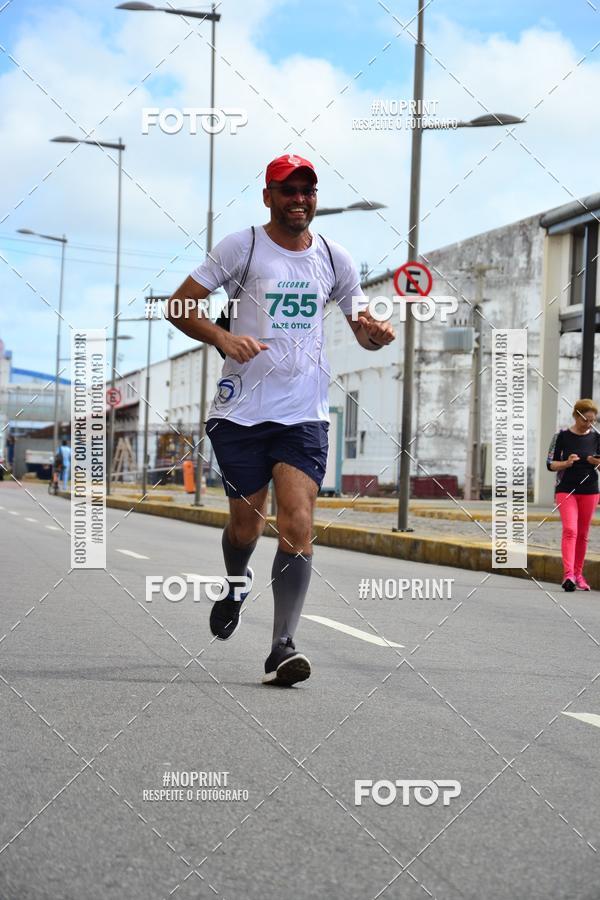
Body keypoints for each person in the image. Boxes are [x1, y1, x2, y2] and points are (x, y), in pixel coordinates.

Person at [167, 153, 395, 686]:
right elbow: (179, 306)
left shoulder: (335, 258)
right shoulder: (241, 247)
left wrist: (376, 335)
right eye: (287, 191)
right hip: (241, 413)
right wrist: (223, 338)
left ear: (316, 198)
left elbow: (361, 327)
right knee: (247, 524)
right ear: (267, 196)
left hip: (303, 413)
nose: (298, 200)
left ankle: (282, 647)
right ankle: (235, 582)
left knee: (297, 521)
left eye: (307, 191)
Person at [547, 398, 600, 592]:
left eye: (593, 420)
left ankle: (579, 575)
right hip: (566, 489)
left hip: (590, 490)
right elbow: (550, 464)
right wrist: (566, 463)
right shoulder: (561, 436)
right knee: (570, 530)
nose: (589, 424)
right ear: (576, 416)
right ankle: (568, 575)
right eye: (586, 420)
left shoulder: (597, 437)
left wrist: (597, 462)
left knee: (583, 534)